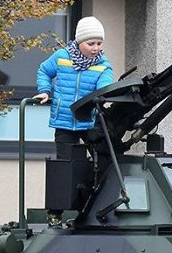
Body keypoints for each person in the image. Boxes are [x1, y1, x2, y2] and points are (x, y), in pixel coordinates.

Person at [34, 15, 113, 222]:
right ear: (79, 42)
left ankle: (90, 205)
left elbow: (105, 88)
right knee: (65, 164)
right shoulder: (61, 57)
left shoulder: (103, 65)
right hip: (64, 121)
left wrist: (102, 96)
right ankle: (55, 212)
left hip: (88, 122)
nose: (96, 48)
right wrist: (44, 91)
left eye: (99, 43)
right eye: (91, 43)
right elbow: (43, 70)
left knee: (98, 161)